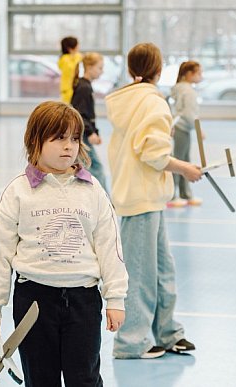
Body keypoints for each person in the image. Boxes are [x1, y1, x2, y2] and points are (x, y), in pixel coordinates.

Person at [0, 101, 128, 387]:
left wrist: (115, 298)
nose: (68, 146)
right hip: (32, 299)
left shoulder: (92, 190)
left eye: (74, 138)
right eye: (59, 138)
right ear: (35, 140)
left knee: (84, 378)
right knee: (40, 379)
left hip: (83, 300)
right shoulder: (17, 192)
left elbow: (110, 246)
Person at [105, 42, 200, 359]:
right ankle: (131, 341)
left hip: (146, 197)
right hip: (141, 198)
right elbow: (154, 153)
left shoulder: (128, 100)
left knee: (162, 269)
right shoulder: (153, 104)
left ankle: (168, 331)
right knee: (142, 273)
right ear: (158, 70)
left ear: (133, 70)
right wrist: (185, 168)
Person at [71, 52, 109, 195]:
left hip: (85, 134)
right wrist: (90, 132)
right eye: (100, 68)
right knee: (96, 167)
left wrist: (95, 131)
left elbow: (89, 114)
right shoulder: (83, 87)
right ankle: (104, 200)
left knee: (85, 167)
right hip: (83, 136)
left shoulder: (86, 86)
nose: (102, 71)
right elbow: (79, 114)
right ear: (89, 67)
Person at [168, 60, 203, 207]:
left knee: (184, 160)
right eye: (199, 73)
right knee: (178, 161)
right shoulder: (188, 91)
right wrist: (198, 129)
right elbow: (189, 114)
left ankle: (185, 193)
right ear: (189, 74)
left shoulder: (180, 89)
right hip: (181, 128)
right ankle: (172, 195)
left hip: (183, 128)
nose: (201, 76)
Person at [58, 36, 83, 104]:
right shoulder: (64, 59)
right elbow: (71, 68)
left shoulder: (76, 56)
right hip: (67, 89)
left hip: (74, 87)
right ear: (70, 48)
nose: (78, 47)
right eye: (77, 45)